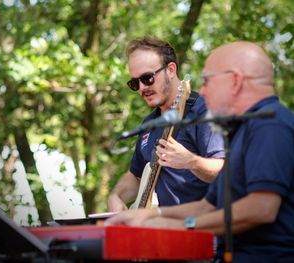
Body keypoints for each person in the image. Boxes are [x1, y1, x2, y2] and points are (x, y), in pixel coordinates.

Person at [106, 41, 294, 262]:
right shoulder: (245, 129)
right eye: (133, 83)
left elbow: (262, 208)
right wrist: (152, 215)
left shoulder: (269, 125)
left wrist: (181, 226)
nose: (202, 90)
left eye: (208, 81)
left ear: (235, 80)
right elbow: (208, 206)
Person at [107, 36, 224, 211]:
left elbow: (226, 169)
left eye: (147, 78)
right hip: (160, 230)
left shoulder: (205, 111)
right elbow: (136, 176)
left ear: (171, 69)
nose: (141, 88)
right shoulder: (150, 123)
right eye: (134, 83)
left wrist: (191, 161)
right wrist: (116, 196)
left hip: (200, 227)